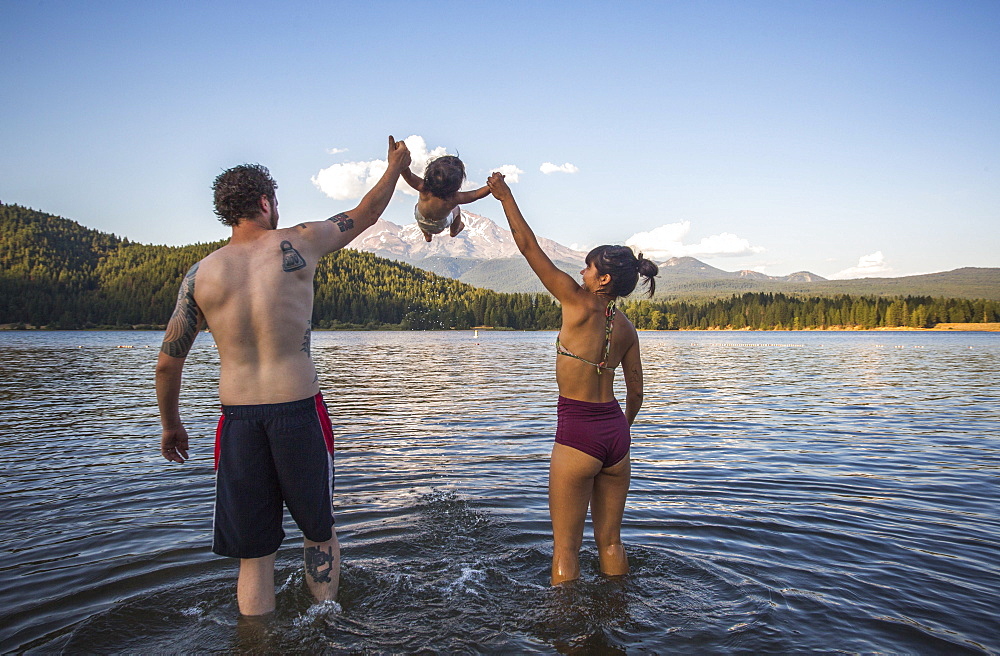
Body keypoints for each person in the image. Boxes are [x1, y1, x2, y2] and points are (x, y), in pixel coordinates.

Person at [155, 136, 412, 615]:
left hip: (238, 420)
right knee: (319, 532)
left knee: (254, 556)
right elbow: (368, 212)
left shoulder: (201, 275)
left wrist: (171, 424)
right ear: (264, 202)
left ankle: (256, 642)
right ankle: (326, 626)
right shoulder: (301, 239)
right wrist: (396, 166)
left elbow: (169, 361)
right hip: (297, 410)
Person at [486, 172, 658, 585]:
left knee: (565, 549)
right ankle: (619, 616)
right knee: (611, 543)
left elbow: (528, 247)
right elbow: (636, 391)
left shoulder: (576, 301)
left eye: (587, 266)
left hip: (578, 431)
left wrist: (505, 196)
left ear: (603, 280)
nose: (580, 271)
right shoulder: (627, 327)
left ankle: (568, 631)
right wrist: (618, 430)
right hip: (616, 435)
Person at [401, 155, 490, 242]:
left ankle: (427, 234)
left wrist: (401, 160)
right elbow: (475, 194)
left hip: (421, 219)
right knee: (457, 209)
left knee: (418, 206)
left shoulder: (424, 188)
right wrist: (492, 186)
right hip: (440, 225)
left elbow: (408, 176)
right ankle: (454, 231)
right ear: (458, 184)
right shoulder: (454, 198)